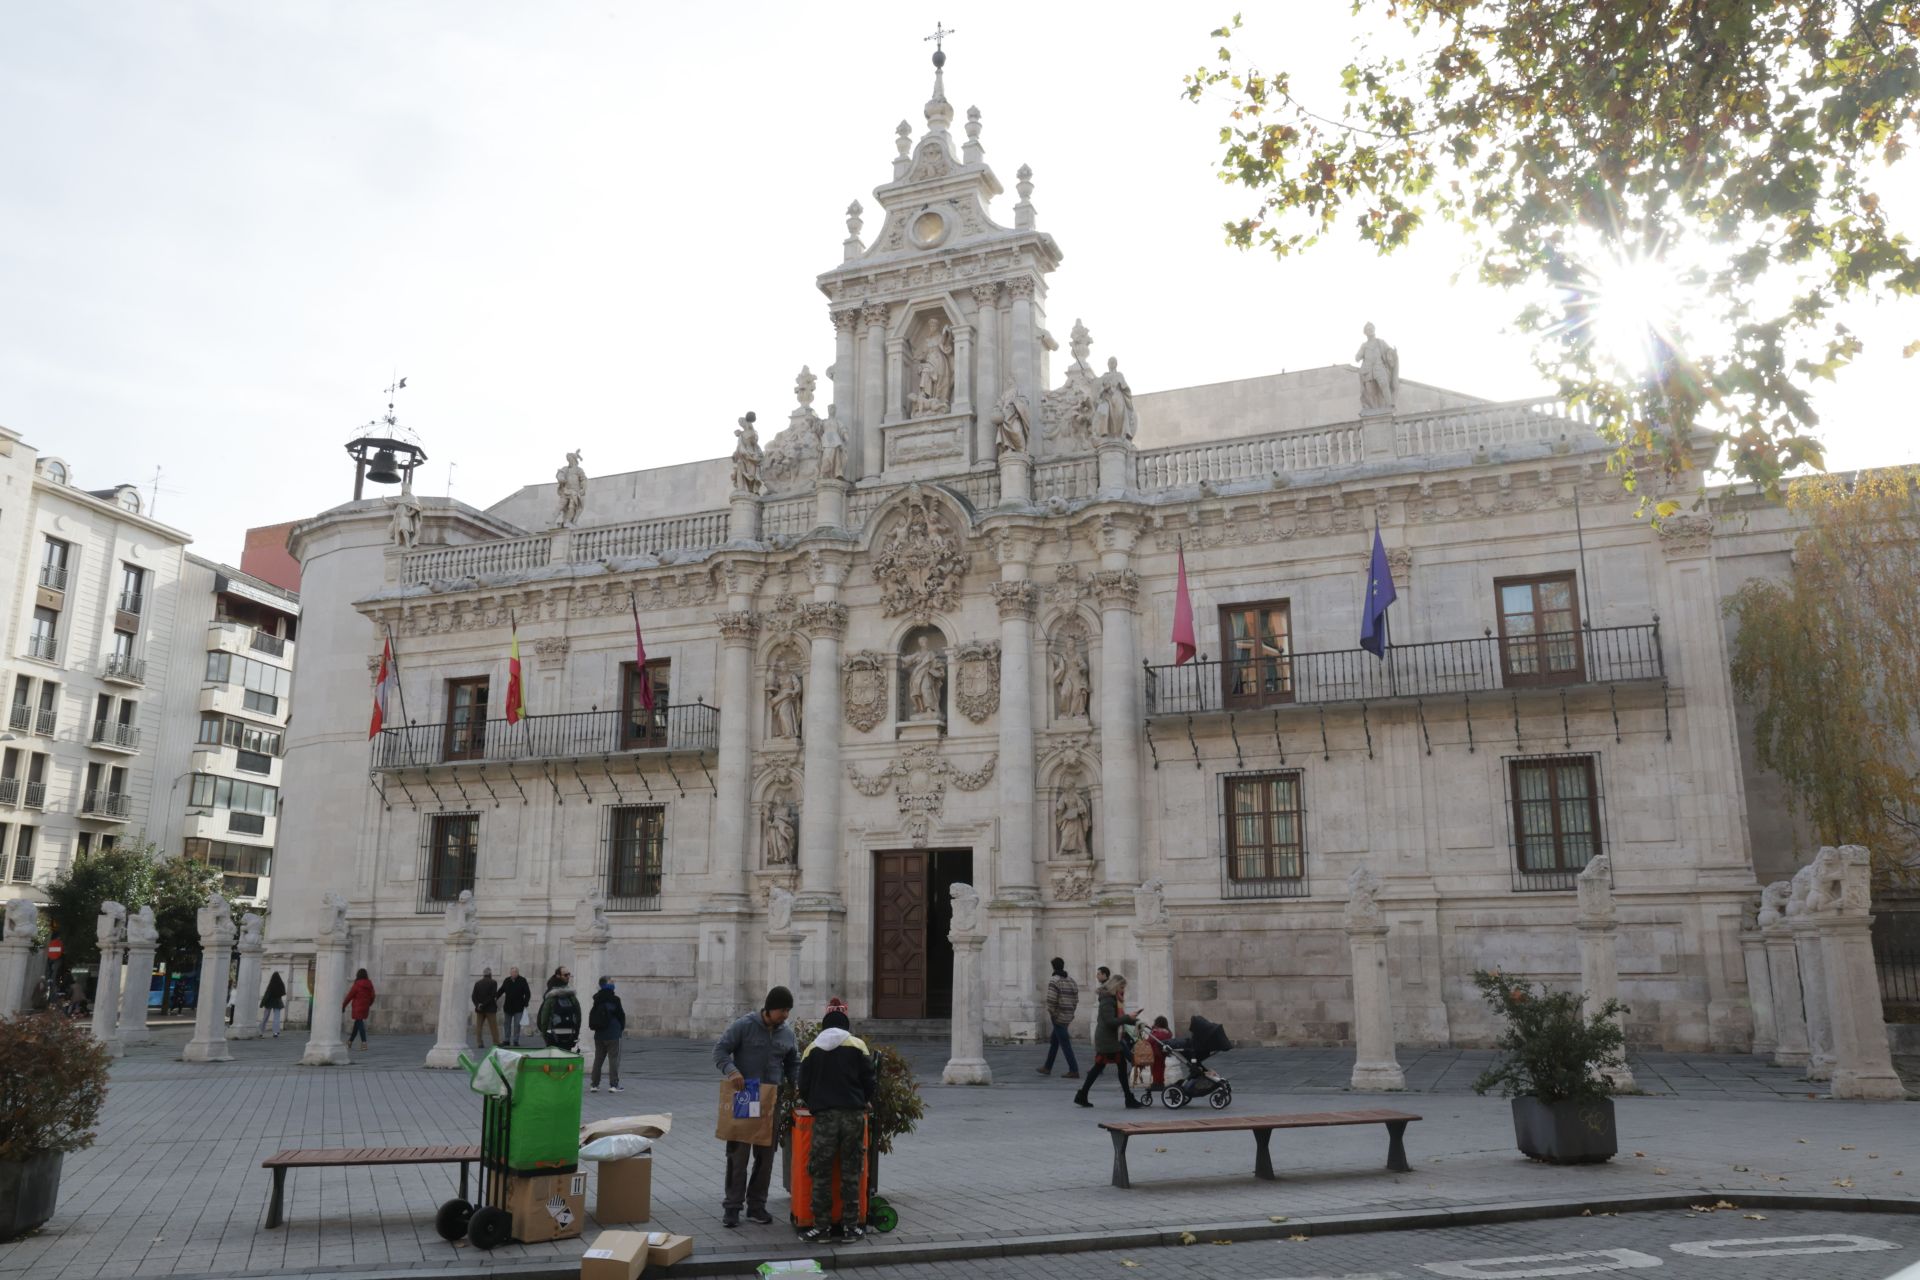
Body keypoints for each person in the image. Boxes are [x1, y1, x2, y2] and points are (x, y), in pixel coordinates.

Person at [712, 985, 800, 1229]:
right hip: (747, 1094)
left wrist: (797, 1083)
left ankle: (756, 1206)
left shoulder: (787, 1034)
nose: (785, 1015)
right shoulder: (744, 1025)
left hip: (772, 1099)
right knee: (738, 1155)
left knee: (766, 1157)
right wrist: (732, 1071)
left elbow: (794, 1062)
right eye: (783, 1010)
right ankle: (732, 1207)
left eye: (788, 1011)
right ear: (770, 1009)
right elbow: (719, 1051)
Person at [796, 1001, 877, 1244]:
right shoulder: (857, 1044)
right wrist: (864, 1099)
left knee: (821, 1172)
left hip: (825, 1117)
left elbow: (804, 1084)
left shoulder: (813, 1047)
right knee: (851, 1171)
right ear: (845, 1024)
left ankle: (821, 1228)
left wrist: (815, 1104)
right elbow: (869, 1080)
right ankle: (851, 1227)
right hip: (853, 1116)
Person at [1073, 971, 1140, 1109]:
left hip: (1110, 1039)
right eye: (1122, 988)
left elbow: (1116, 1019)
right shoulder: (1107, 1000)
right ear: (1116, 986)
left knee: (1099, 1067)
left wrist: (1134, 1020)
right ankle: (1128, 1098)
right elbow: (1110, 1021)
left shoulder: (1112, 999)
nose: (1123, 991)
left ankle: (1082, 1094)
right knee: (1118, 1066)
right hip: (1108, 1040)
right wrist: (1129, 1018)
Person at [1036, 957, 1081, 1079]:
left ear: (1053, 967)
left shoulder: (1054, 980)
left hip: (1058, 1017)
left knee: (1065, 1043)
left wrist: (1053, 1014)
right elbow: (1076, 999)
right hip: (1068, 1015)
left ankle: (1074, 1069)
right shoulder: (1071, 980)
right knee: (1054, 1041)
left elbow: (1051, 1000)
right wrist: (1071, 1012)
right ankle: (1047, 1067)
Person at [587, 977, 626, 1093]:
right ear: (606, 984)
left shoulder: (597, 998)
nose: (613, 983)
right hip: (613, 1033)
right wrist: (620, 1028)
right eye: (611, 982)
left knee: (598, 1059)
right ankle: (614, 1084)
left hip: (599, 1034)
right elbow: (621, 1015)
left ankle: (594, 1084)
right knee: (613, 1059)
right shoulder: (615, 999)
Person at [537, 970, 582, 1051]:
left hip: (553, 1034)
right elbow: (578, 1018)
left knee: (553, 1059)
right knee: (567, 1058)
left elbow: (544, 1020)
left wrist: (545, 1035)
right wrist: (576, 1034)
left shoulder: (551, 998)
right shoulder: (572, 998)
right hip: (570, 1034)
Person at [343, 968, 376, 1050]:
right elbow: (373, 996)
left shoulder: (357, 985)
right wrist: (369, 1004)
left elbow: (349, 997)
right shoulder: (370, 984)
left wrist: (343, 1006)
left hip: (357, 1007)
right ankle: (350, 1042)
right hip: (365, 1007)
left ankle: (364, 1043)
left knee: (360, 1024)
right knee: (357, 1024)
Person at [500, 966, 532, 1046]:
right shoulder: (507, 980)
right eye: (512, 972)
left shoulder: (522, 980)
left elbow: (527, 993)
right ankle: (507, 1040)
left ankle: (515, 1040)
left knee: (517, 1024)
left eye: (515, 972)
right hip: (508, 1006)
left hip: (519, 1007)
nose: (513, 974)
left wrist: (525, 1003)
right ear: (510, 973)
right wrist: (496, 996)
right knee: (507, 1024)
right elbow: (501, 990)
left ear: (517, 973)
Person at [471, 967, 501, 1048]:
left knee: (479, 1027)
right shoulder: (493, 982)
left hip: (479, 1009)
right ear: (490, 974)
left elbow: (473, 996)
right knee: (493, 1026)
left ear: (483, 974)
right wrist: (484, 1004)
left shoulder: (477, 983)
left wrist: (478, 1005)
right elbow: (492, 996)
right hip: (490, 1008)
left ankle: (479, 1043)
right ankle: (496, 1042)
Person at [258, 970, 287, 1038]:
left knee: (265, 1017)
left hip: (269, 1002)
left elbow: (266, 995)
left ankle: (260, 1031)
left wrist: (262, 1004)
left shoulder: (271, 985)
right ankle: (275, 1032)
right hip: (277, 1002)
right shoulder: (281, 984)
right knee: (276, 1018)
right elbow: (283, 992)